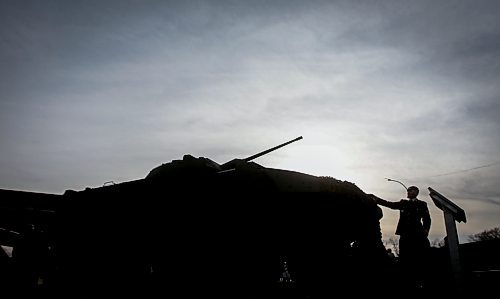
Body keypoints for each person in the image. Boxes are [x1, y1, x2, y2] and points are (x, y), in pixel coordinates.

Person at [369, 186, 431, 289]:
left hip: (418, 235)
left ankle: (421, 281)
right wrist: (377, 199)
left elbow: (427, 219)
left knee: (420, 257)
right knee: (405, 258)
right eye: (408, 191)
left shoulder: (422, 204)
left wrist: (425, 231)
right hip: (405, 235)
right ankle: (406, 282)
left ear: (416, 192)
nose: (408, 192)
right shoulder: (403, 203)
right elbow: (390, 204)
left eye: (410, 190)